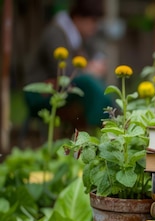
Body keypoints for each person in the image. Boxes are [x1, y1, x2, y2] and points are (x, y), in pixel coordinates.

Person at [24, 0, 112, 132]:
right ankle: (105, 127)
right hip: (41, 93)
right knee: (88, 83)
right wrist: (88, 69)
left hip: (61, 90)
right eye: (92, 21)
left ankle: (112, 122)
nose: (94, 27)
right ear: (78, 18)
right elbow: (64, 71)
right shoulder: (55, 33)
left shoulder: (78, 37)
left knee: (95, 84)